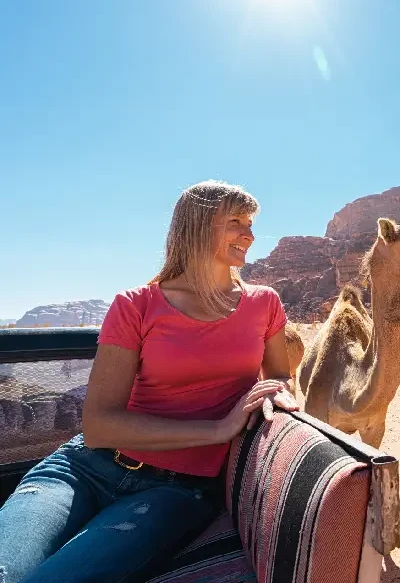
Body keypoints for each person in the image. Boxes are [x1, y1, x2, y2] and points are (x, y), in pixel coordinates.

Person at [0, 181, 299, 583]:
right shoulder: (136, 303)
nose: (250, 234)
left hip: (176, 491)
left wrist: (276, 389)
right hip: (83, 469)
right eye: (235, 222)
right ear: (197, 224)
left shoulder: (265, 303)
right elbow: (99, 425)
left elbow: (280, 374)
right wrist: (217, 429)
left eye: (250, 223)